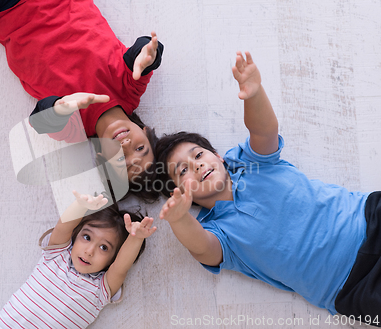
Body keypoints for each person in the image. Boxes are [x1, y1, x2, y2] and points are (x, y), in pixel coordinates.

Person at [154, 51, 381, 323]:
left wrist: (253, 92)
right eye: (183, 171)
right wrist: (179, 220)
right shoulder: (218, 232)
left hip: (368, 218)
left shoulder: (251, 163)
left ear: (218, 155)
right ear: (178, 193)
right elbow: (202, 247)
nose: (197, 165)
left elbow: (263, 130)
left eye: (199, 154)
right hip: (352, 286)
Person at [0, 0, 164, 202]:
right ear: (146, 132)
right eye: (140, 149)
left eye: (121, 160)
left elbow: (40, 119)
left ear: (102, 158)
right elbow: (142, 55)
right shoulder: (130, 90)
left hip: (8, 8)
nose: (127, 145)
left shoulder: (74, 130)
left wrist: (60, 108)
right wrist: (147, 55)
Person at [0, 191, 157, 328]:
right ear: (76, 235)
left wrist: (136, 238)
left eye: (104, 247)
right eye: (86, 237)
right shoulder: (57, 256)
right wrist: (80, 206)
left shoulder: (100, 290)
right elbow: (63, 226)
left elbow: (121, 267)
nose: (89, 251)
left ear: (112, 259)